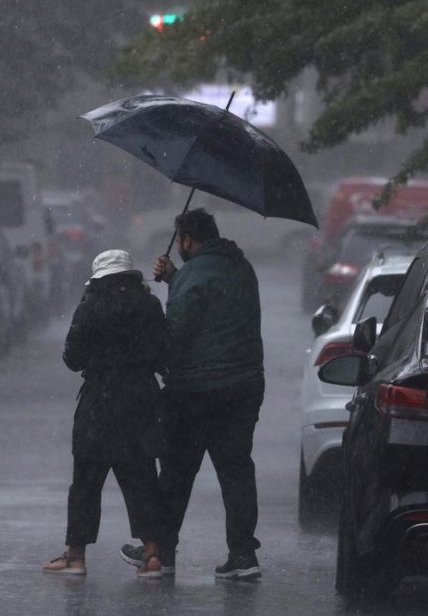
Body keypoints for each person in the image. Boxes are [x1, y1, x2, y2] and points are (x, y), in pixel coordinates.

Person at [120, 208, 265, 580]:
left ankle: (163, 551)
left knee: (177, 472)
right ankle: (243, 555)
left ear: (186, 239)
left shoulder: (194, 276)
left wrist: (150, 306)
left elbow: (177, 336)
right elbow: (215, 303)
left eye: (180, 240)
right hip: (244, 386)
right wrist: (176, 279)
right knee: (236, 472)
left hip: (195, 393)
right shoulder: (241, 268)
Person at [42, 249, 169, 579]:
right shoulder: (149, 305)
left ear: (99, 278)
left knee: (85, 483)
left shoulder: (90, 306)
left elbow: (73, 359)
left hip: (99, 403)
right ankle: (153, 555)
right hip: (140, 401)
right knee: (142, 478)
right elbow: (163, 355)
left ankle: (76, 557)